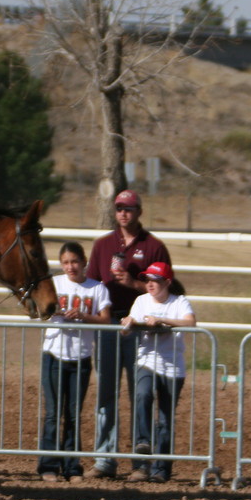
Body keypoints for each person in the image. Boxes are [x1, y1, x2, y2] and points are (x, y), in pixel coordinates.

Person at [85, 190, 172, 479]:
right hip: (109, 326)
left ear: (139, 211)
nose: (124, 213)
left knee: (140, 394)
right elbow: (91, 285)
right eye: (119, 208)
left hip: (141, 329)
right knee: (106, 393)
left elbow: (172, 289)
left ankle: (140, 462)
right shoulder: (103, 246)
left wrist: (135, 283)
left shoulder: (154, 247)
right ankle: (104, 459)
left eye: (129, 208)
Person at [37, 242, 111, 482]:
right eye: (66, 262)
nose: (71, 267)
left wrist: (83, 316)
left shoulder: (97, 289)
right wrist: (54, 312)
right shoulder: (54, 284)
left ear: (84, 262)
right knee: (52, 413)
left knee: (73, 414)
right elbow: (38, 311)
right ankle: (48, 465)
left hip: (81, 357)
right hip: (54, 353)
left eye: (75, 262)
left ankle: (72, 466)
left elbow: (106, 320)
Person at [120, 262, 196, 483]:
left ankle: (161, 469)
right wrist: (128, 323)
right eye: (147, 280)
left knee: (164, 419)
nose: (150, 284)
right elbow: (127, 328)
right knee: (142, 394)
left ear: (167, 283)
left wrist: (162, 320)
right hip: (147, 361)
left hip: (173, 367)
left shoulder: (179, 302)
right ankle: (143, 442)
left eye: (155, 280)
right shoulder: (141, 301)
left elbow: (190, 323)